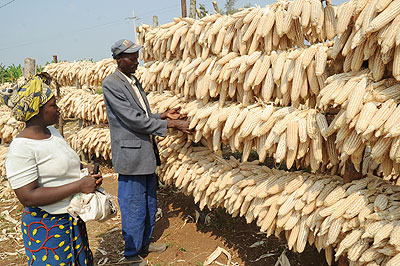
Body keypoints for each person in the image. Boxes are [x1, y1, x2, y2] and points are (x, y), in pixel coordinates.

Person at [102, 39, 190, 266]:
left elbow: (142, 114)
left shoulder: (133, 81)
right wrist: (171, 126)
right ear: (118, 59)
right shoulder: (111, 84)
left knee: (149, 201)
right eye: (131, 58)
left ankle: (144, 244)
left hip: (144, 152)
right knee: (133, 204)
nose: (136, 62)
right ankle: (131, 254)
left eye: (136, 57)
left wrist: (162, 115)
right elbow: (132, 119)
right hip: (131, 156)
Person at [2, 73, 102, 266]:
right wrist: (79, 185)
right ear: (37, 110)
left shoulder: (52, 133)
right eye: (52, 105)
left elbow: (59, 164)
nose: (58, 109)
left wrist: (83, 169)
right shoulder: (21, 148)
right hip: (47, 227)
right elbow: (27, 196)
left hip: (71, 219)